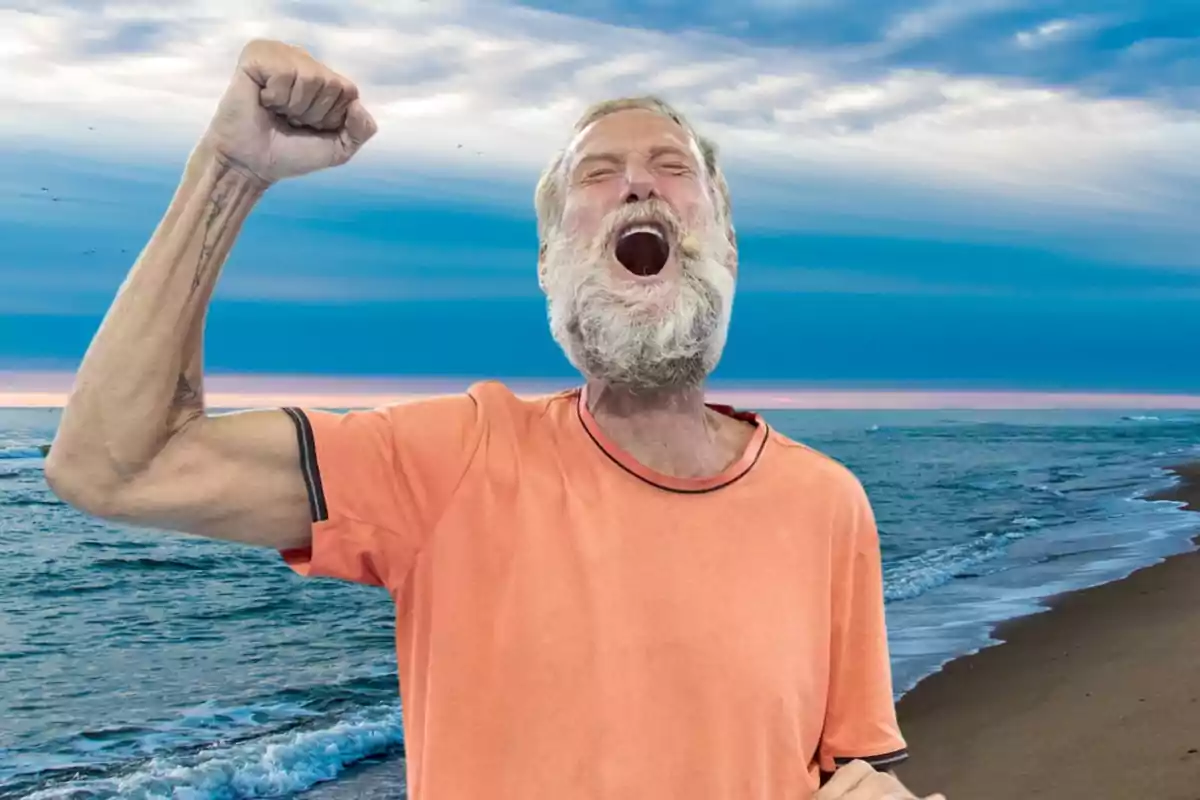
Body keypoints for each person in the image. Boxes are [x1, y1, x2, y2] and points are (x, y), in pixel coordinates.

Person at [45, 39, 945, 800]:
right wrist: (230, 171)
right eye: (600, 175)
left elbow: (846, 771)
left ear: (726, 240)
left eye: (672, 169)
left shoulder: (827, 504)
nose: (639, 186)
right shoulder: (452, 459)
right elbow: (117, 465)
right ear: (551, 263)